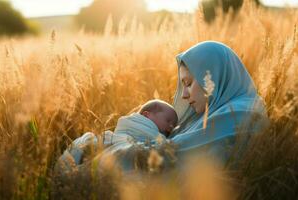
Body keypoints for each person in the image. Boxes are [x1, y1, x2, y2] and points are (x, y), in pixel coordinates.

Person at [56, 41, 268, 172]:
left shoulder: (241, 113)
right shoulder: (215, 109)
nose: (184, 95)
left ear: (212, 76)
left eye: (188, 83)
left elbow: (171, 155)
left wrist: (105, 148)